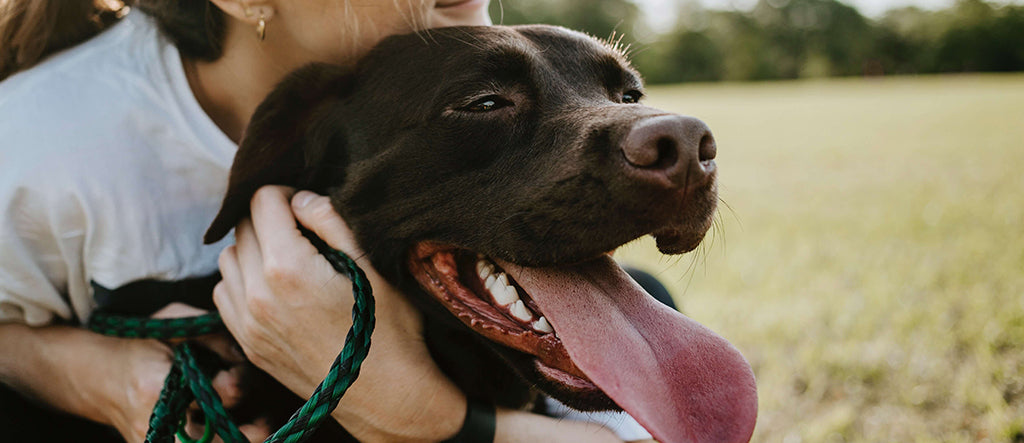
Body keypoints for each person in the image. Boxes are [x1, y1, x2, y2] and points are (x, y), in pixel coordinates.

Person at [0, 1, 655, 441]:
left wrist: (421, 413)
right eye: (485, 102)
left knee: (649, 296)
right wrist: (103, 377)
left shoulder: (441, 63)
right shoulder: (40, 145)